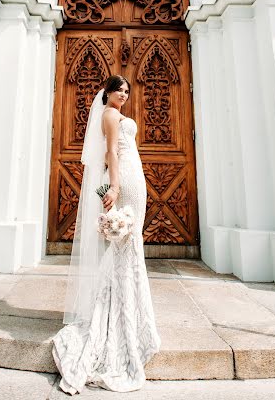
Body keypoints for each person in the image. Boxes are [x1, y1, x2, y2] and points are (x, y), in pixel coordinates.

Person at [51, 74, 161, 394]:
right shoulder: (111, 115)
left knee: (126, 245)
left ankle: (121, 307)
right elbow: (111, 152)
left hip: (132, 174)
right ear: (108, 93)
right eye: (119, 90)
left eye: (127, 91)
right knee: (126, 244)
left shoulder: (115, 113)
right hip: (124, 177)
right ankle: (119, 314)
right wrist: (113, 186)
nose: (124, 95)